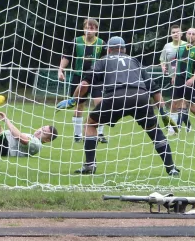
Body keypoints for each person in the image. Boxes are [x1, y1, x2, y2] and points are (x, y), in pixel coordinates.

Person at [66, 37, 180, 176]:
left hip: (116, 96)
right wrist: (163, 112)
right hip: (140, 96)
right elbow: (154, 89)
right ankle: (171, 168)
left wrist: (74, 100)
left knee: (90, 124)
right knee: (155, 131)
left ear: (108, 49)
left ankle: (90, 165)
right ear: (124, 49)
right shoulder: (134, 61)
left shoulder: (103, 60)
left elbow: (84, 85)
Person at [56, 18, 108, 143]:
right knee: (79, 106)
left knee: (100, 104)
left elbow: (106, 61)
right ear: (83, 28)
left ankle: (100, 133)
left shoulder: (102, 43)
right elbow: (67, 57)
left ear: (96, 30)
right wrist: (60, 70)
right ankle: (78, 135)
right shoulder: (76, 41)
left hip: (96, 78)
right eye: (87, 27)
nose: (89, 30)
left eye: (91, 28)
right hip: (78, 76)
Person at [171, 27, 195, 135]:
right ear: (185, 35)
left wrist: (192, 79)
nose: (191, 35)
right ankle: (172, 129)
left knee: (192, 107)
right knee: (174, 104)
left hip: (191, 81)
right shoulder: (181, 47)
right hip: (179, 78)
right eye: (189, 33)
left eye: (193, 34)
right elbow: (176, 63)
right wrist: (174, 76)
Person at [160, 24, 188, 130]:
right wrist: (163, 66)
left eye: (177, 32)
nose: (175, 34)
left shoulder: (187, 45)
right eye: (173, 32)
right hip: (173, 77)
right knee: (180, 103)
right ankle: (183, 125)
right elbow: (162, 59)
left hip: (185, 77)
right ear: (171, 34)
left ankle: (175, 126)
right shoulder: (167, 46)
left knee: (179, 102)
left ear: (181, 33)